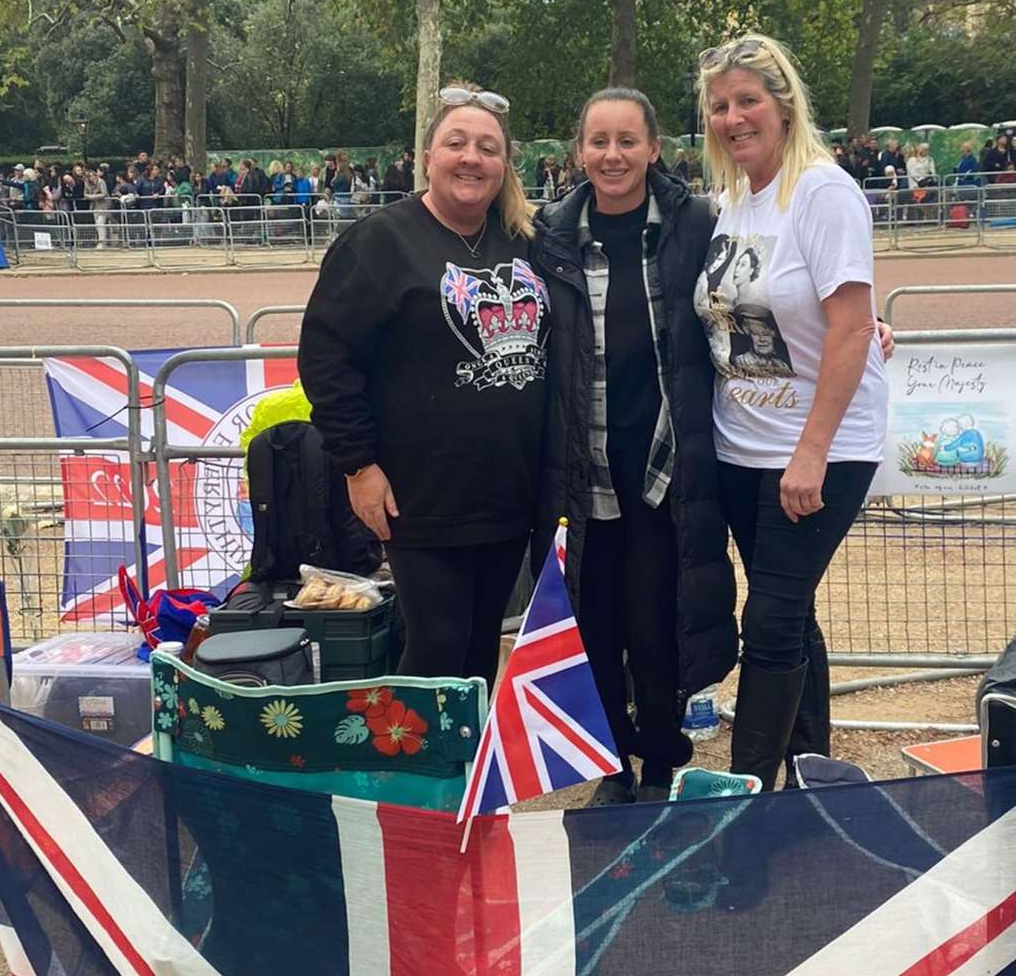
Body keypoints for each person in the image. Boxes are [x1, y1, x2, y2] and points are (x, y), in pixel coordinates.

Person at [693, 33, 889, 794]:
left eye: (747, 101)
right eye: (720, 106)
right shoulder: (731, 202)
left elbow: (848, 324)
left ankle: (748, 801)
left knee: (770, 622)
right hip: (742, 445)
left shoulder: (823, 190)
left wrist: (812, 451)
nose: (734, 117)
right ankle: (812, 767)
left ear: (783, 105)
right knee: (790, 608)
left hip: (819, 453)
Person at [530, 88, 738, 806]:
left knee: (657, 628)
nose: (611, 156)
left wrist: (869, 330)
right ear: (578, 151)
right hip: (584, 470)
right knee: (594, 627)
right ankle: (610, 766)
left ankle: (660, 763)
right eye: (598, 141)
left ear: (654, 147)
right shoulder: (548, 235)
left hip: (666, 469)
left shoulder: (699, 225)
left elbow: (764, 298)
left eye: (627, 141)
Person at [300, 84, 542, 690]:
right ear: (427, 156)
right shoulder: (380, 241)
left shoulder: (524, 238)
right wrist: (358, 466)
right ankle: (414, 781)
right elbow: (327, 358)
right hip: (420, 494)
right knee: (436, 644)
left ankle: (464, 779)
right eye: (455, 143)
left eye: (488, 148)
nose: (471, 158)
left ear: (504, 165)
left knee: (483, 644)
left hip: (509, 492)